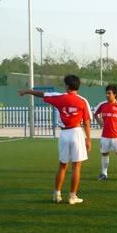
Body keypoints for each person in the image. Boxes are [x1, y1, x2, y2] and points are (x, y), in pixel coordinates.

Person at [19, 75, 92, 205]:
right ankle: (72, 196)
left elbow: (42, 94)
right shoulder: (83, 101)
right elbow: (86, 122)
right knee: (77, 166)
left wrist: (28, 91)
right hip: (77, 133)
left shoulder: (59, 97)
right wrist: (88, 139)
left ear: (67, 86)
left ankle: (57, 194)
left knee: (63, 165)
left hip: (64, 134)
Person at [93, 85, 117, 181]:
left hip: (116, 135)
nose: (107, 95)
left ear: (115, 94)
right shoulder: (102, 105)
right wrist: (100, 123)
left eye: (109, 93)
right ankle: (104, 174)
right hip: (105, 135)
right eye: (106, 93)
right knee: (104, 154)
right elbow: (95, 114)